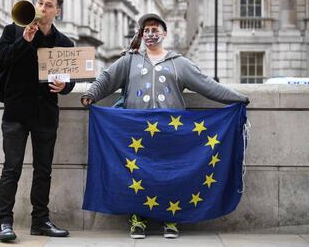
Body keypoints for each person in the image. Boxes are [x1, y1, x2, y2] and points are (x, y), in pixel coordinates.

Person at [81, 13, 249, 239]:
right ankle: (137, 219)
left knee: (171, 175)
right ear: (141, 35)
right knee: (136, 176)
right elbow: (107, 78)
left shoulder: (179, 63)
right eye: (146, 30)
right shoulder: (130, 60)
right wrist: (91, 94)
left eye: (155, 29)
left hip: (171, 133)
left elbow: (207, 85)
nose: (150, 34)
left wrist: (237, 98)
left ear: (164, 33)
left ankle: (171, 218)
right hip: (136, 132)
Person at [0, 0, 75, 242]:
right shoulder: (13, 30)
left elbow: (70, 79)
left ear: (57, 11)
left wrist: (65, 86)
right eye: (39, 2)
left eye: (48, 5)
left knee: (43, 171)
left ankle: (40, 220)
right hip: (16, 112)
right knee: (11, 168)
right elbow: (0, 60)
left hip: (45, 115)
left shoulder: (64, 43)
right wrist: (24, 40)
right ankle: (4, 221)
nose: (42, 7)